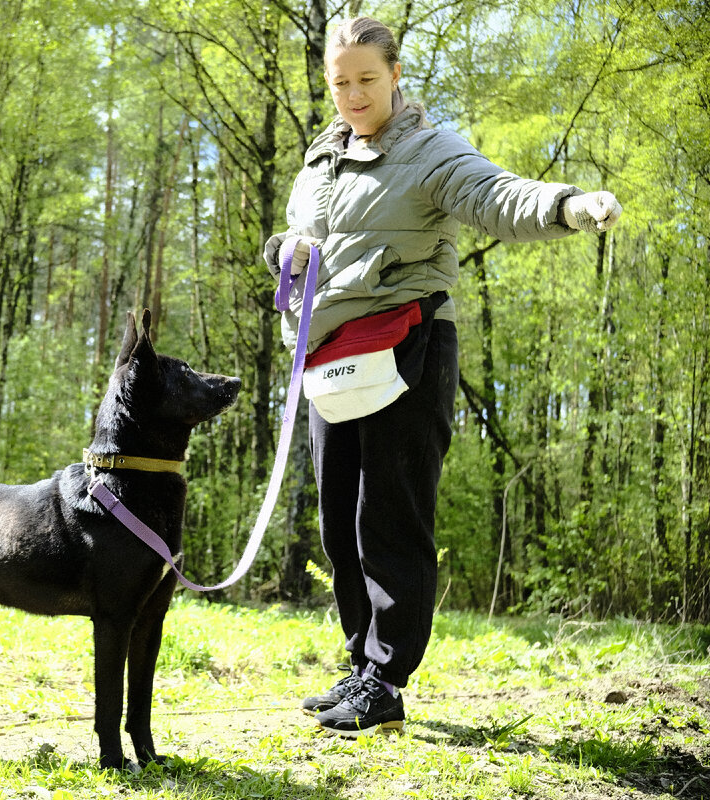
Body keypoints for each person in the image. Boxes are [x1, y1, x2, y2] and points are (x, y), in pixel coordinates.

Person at [263, 16, 621, 738]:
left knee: (391, 518)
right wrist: (288, 254)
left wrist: (567, 205)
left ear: (396, 75)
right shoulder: (319, 162)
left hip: (407, 348)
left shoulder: (430, 151)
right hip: (330, 359)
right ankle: (361, 664)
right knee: (340, 524)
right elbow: (309, 238)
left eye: (367, 79)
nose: (354, 94)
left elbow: (498, 195)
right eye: (341, 83)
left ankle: (388, 681)